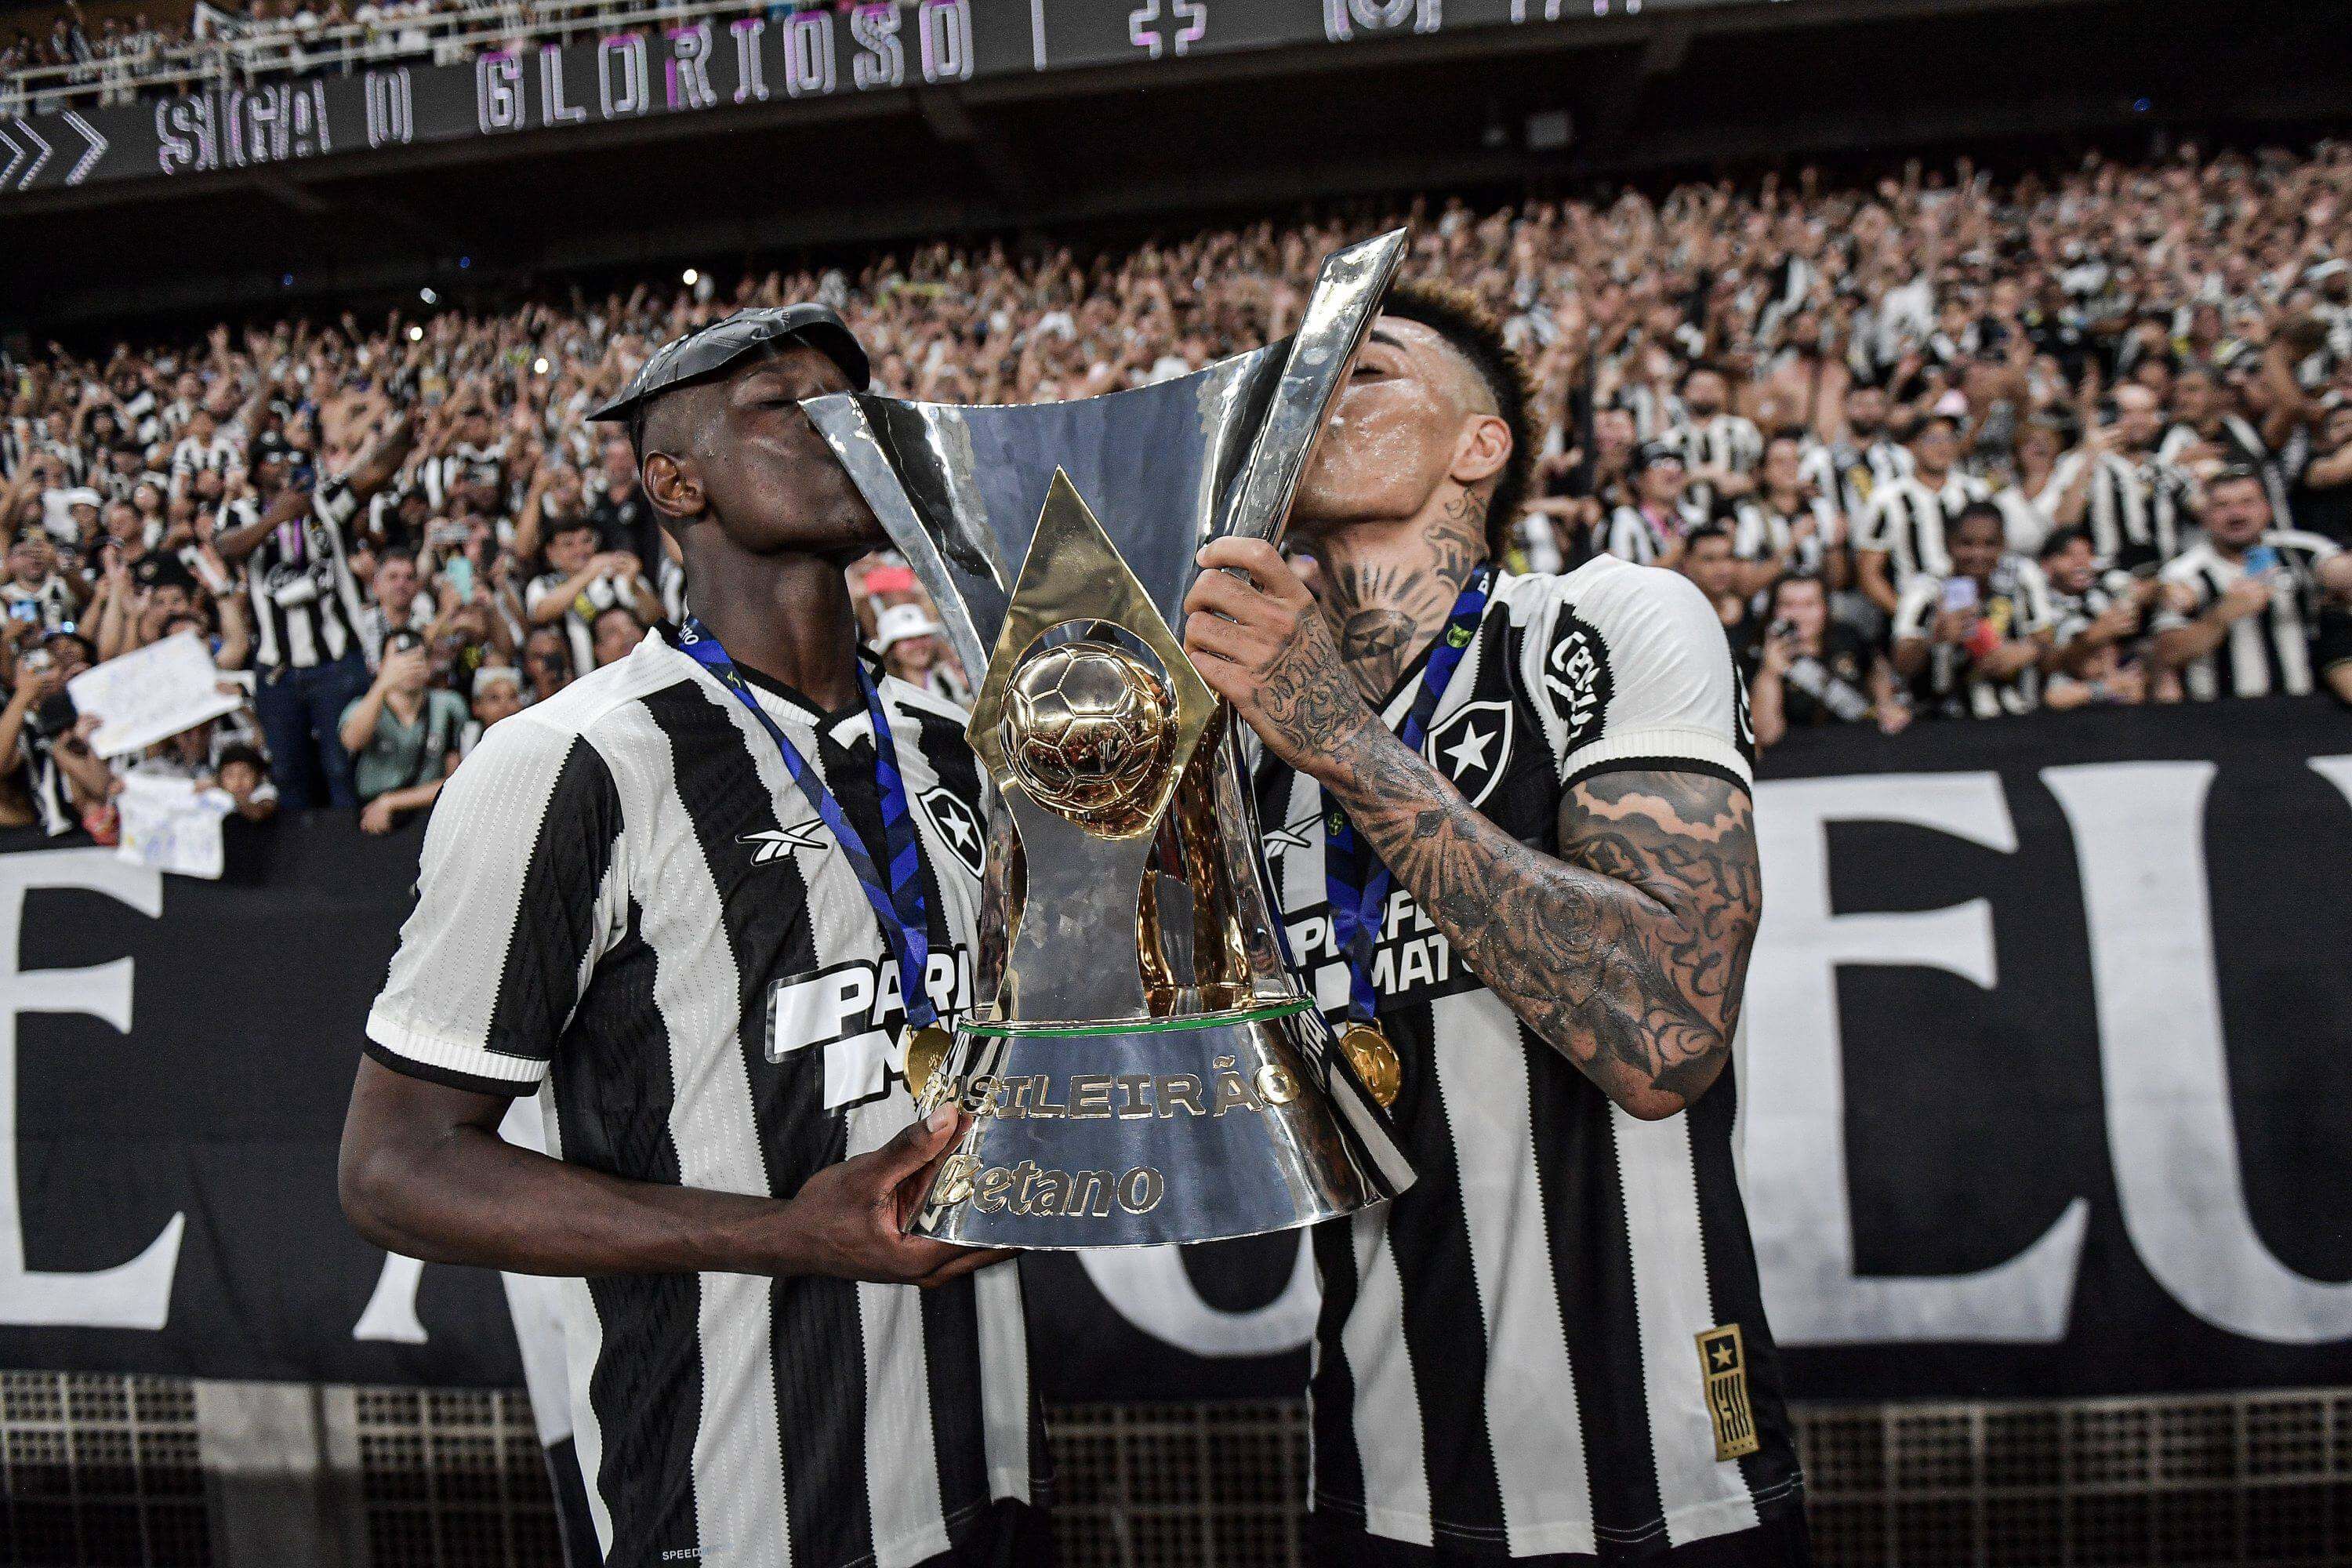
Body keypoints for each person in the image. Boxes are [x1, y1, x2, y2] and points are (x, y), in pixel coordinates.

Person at [337, 305, 1049, 1568]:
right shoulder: (569, 762)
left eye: (859, 401)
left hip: (986, 1478)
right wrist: (783, 1235)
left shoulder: (965, 744)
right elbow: (395, 1168)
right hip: (729, 1507)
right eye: (788, 406)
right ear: (675, 483)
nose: (848, 426)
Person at [1181, 283, 1804, 1566]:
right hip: (1380, 1485)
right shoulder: (1233, 748)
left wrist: (1345, 739)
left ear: (1481, 447)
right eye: (1299, 382)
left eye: (1369, 373)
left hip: (1672, 1478)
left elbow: (1666, 1034)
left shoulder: (1604, 622)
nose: (1315, 399)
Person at [215, 411, 415, 809]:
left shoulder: (325, 503)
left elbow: (374, 472)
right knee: (288, 773)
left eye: (289, 458)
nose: (284, 466)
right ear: (254, 471)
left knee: (343, 768)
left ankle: (350, 858)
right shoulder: (241, 514)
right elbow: (227, 547)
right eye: (272, 460)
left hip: (336, 664)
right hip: (278, 671)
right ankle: (301, 865)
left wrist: (407, 426)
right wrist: (275, 518)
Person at [2151, 465, 2352, 704]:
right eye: (2222, 506)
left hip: (2302, 709)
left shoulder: (2298, 550)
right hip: (2221, 715)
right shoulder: (2183, 573)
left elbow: (2337, 570)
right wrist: (2222, 616)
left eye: (2248, 503)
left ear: (2267, 508)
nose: (2237, 515)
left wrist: (2336, 575)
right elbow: (2168, 654)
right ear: (2205, 515)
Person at [1889, 501, 2056, 719]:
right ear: (1949, 544)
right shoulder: (1925, 588)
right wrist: (1935, 638)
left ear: (2003, 544)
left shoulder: (2024, 575)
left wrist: (2029, 651)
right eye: (1967, 544)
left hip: (2018, 718)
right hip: (1941, 721)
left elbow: (2049, 645)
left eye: (1989, 544)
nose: (1978, 554)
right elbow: (1901, 664)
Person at [1852, 412, 1991, 614]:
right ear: (1913, 446)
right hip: (1915, 605)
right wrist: (1906, 616)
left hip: (1973, 606)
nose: (1942, 446)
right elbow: (1869, 572)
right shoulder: (1888, 500)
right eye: (1932, 439)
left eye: (1950, 438)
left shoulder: (1976, 493)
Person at [1747, 572, 1902, 745]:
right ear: (1774, 610)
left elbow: (1878, 672)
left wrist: (1886, 702)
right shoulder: (1757, 657)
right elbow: (1766, 735)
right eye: (1788, 605)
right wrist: (1770, 673)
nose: (1799, 614)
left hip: (1860, 747)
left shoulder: (1848, 638)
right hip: (1800, 756)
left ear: (1825, 607)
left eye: (1809, 604)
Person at [339, 629, 468, 833]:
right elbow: (353, 741)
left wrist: (391, 802)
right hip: (370, 815)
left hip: (431, 815)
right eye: (399, 659)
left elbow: (457, 781)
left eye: (416, 659)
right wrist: (382, 685)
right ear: (381, 665)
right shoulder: (360, 708)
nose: (408, 666)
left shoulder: (449, 706)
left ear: (428, 666)